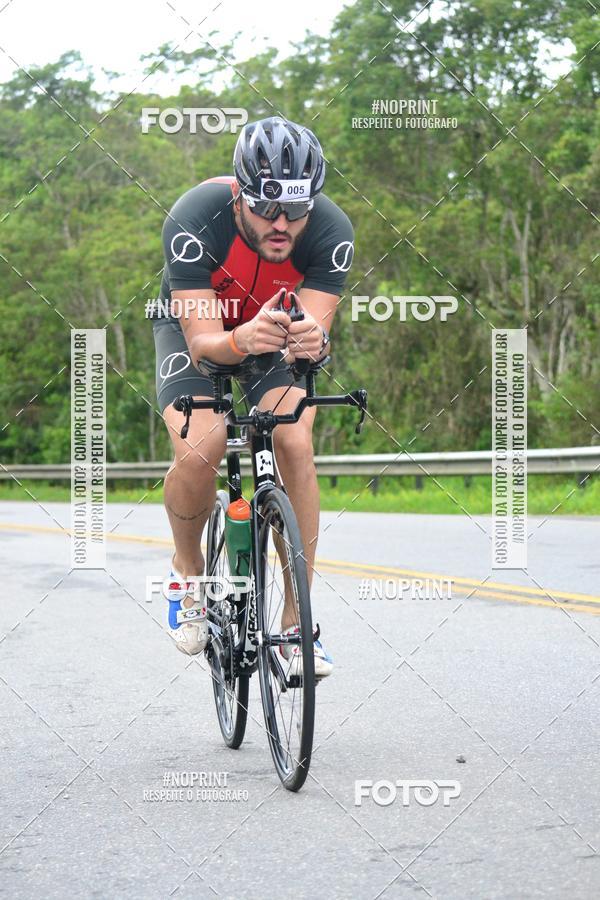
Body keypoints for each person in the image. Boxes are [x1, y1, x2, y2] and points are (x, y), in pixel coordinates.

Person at [152, 116, 354, 676]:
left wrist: (314, 338)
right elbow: (204, 344)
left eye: (297, 207)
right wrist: (238, 339)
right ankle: (188, 572)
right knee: (202, 444)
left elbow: (311, 333)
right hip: (204, 330)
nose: (284, 223)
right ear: (240, 195)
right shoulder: (194, 219)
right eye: (268, 207)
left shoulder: (331, 230)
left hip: (271, 334)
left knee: (293, 436)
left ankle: (296, 625)